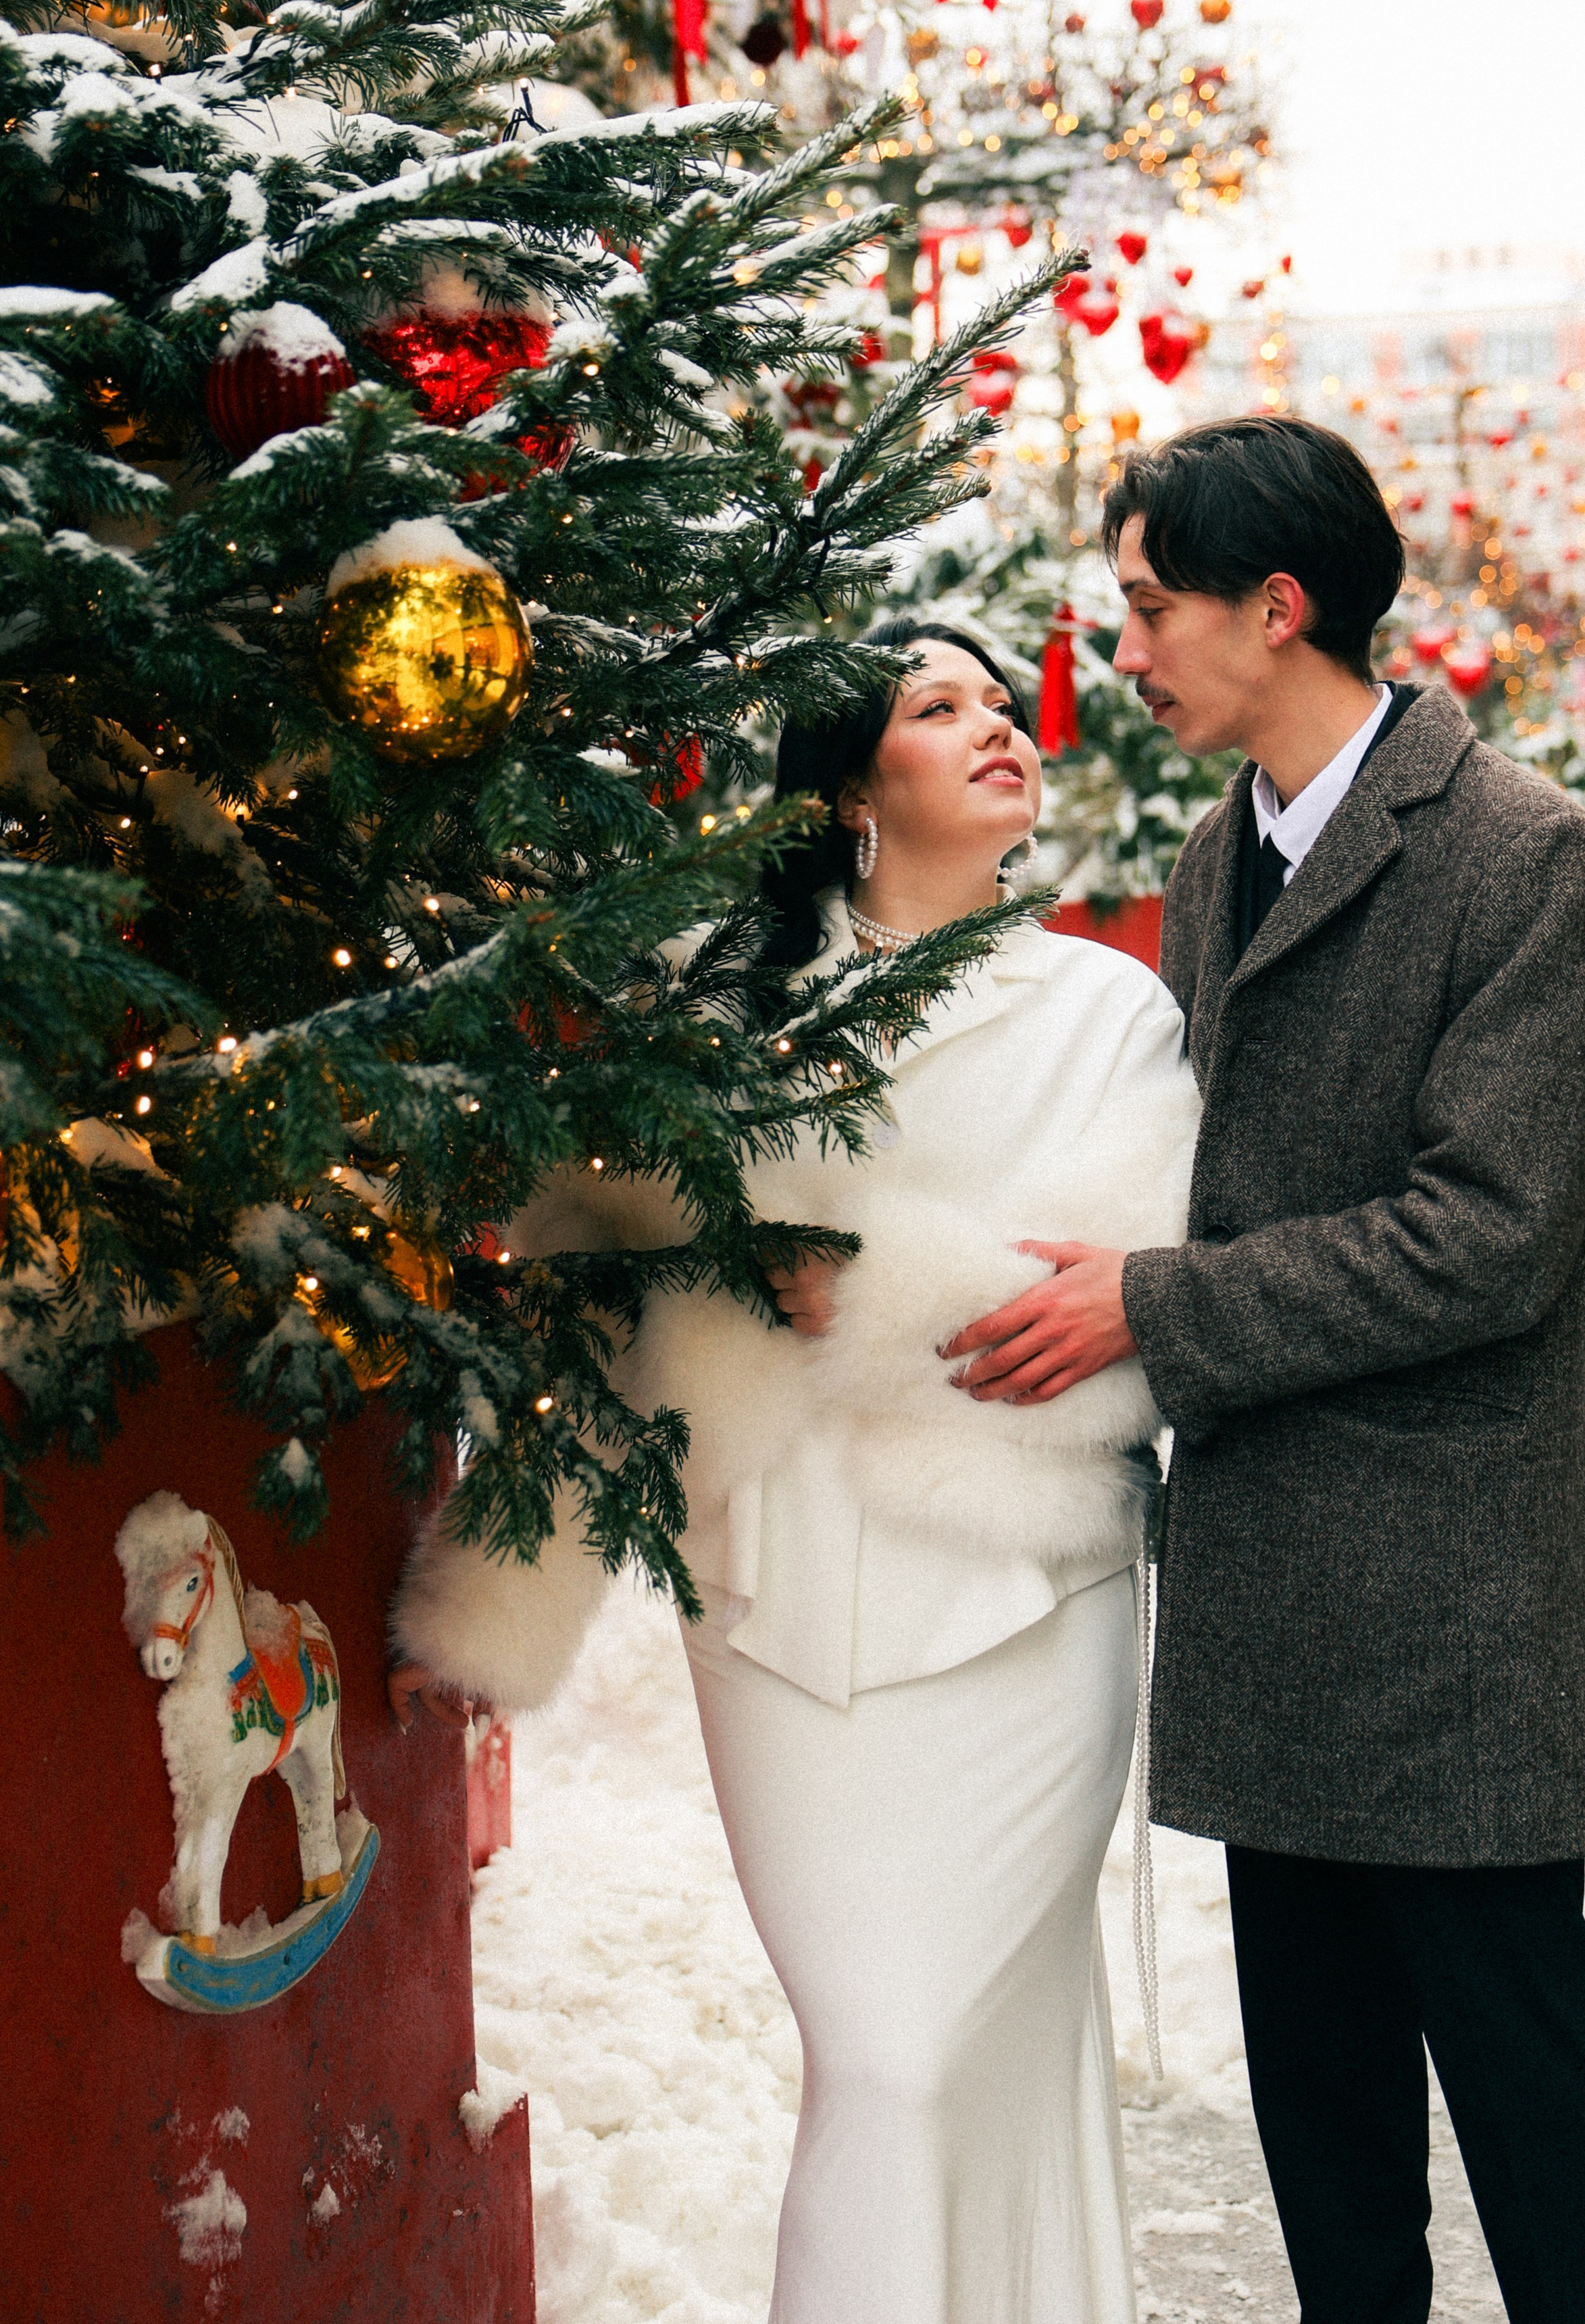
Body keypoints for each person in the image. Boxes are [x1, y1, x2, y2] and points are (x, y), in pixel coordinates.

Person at [942, 417, 1585, 2324]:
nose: (1124, 652)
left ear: (1275, 609)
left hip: (1450, 1621)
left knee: (1544, 2134)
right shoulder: (1214, 856)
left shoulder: (1524, 856)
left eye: (1147, 609)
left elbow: (1496, 1237)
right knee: (1330, 2157)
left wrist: (1155, 1309)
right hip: (1273, 1602)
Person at [388, 620, 1201, 2324]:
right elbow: (582, 1238)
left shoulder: (1109, 1012)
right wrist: (738, 1264)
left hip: (1024, 1598)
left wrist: (853, 1280)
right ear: (845, 790)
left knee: (957, 2053)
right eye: (938, 707)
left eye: (1001, 704)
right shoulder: (715, 1006)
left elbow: (1097, 1317)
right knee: (884, 2052)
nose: (999, 726)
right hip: (775, 1595)